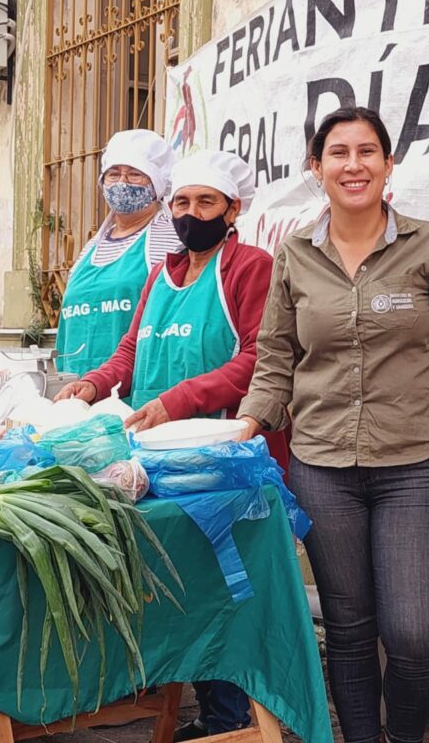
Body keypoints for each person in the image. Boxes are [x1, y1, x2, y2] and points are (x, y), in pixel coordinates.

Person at [236, 106, 429, 743]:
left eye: (367, 151)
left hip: (413, 468)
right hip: (321, 468)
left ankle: (404, 736)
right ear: (316, 168)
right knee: (347, 628)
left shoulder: (427, 245)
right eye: (338, 153)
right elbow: (276, 357)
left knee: (414, 632)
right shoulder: (293, 256)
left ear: (388, 162)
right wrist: (246, 427)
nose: (354, 165)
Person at [55, 150, 278, 739]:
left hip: (219, 461)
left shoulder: (252, 268)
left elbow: (258, 359)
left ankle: (229, 717)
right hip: (157, 457)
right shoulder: (162, 273)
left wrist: (179, 400)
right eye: (181, 202)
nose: (190, 213)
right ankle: (175, 699)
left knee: (218, 586)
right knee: (172, 580)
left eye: (206, 202)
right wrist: (92, 384)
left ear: (233, 209)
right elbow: (130, 352)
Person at [55, 129, 180, 376]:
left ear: (157, 184)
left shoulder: (170, 240)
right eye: (113, 174)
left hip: (131, 390)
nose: (122, 182)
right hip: (75, 385)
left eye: (135, 174)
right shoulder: (90, 249)